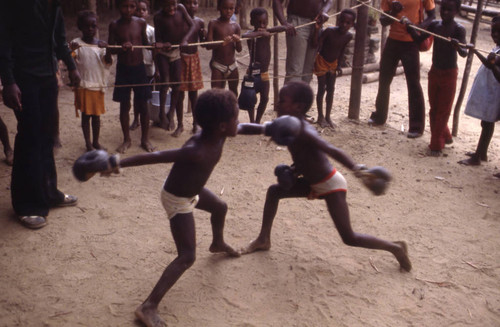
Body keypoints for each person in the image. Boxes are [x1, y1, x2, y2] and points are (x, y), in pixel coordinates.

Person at [79, 89, 241, 326]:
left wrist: (273, 127)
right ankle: (148, 306)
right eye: (237, 118)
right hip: (176, 198)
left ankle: (217, 243)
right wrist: (115, 163)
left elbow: (248, 129)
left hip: (193, 190)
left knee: (220, 207)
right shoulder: (195, 150)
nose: (241, 123)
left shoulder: (221, 133)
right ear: (223, 125)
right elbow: (156, 157)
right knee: (187, 256)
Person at [238, 81, 412, 272]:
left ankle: (395, 248)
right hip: (313, 181)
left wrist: (358, 170)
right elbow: (256, 129)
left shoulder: (305, 130)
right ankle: (263, 239)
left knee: (349, 238)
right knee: (274, 192)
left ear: (299, 107)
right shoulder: (284, 126)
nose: (277, 104)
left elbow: (331, 149)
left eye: (282, 101)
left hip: (330, 184)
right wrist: (232, 128)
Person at [0, 0, 81, 229]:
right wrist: (8, 82)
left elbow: (59, 39)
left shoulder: (54, 5)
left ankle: (49, 192)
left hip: (47, 75)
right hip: (23, 78)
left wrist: (71, 66)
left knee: (47, 137)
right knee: (29, 138)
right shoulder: (12, 4)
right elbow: (3, 42)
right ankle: (26, 205)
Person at [404, 0, 468, 156]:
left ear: (456, 11)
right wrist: (409, 27)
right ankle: (445, 135)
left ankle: (436, 146)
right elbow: (419, 41)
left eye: (449, 10)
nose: (445, 12)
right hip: (435, 71)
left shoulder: (459, 29)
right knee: (434, 108)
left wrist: (458, 45)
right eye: (443, 9)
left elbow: (464, 52)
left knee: (443, 111)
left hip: (449, 74)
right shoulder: (435, 26)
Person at [369, 0, 435, 138]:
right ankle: (379, 116)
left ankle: (416, 127)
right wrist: (393, 12)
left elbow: (432, 16)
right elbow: (383, 21)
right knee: (384, 80)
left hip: (411, 44)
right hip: (393, 41)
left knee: (413, 84)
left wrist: (417, 28)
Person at [108, 0, 154, 153]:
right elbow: (111, 50)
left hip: (139, 69)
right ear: (118, 7)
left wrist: (157, 46)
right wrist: (121, 49)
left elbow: (146, 44)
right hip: (123, 69)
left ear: (135, 7)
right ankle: (126, 139)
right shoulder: (114, 25)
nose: (128, 10)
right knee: (124, 105)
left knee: (143, 105)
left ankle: (145, 139)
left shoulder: (141, 22)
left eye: (132, 6)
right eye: (124, 6)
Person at [458, 16, 500, 171]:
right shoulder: (497, 48)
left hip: (494, 94)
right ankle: (482, 153)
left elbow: (491, 67)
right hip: (490, 91)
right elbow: (490, 64)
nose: (494, 34)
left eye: (498, 32)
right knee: (486, 123)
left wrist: (476, 52)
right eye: (493, 31)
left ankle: (477, 156)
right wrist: (476, 52)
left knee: (487, 124)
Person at [70, 10, 113, 152]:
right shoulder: (77, 43)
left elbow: (107, 62)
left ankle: (96, 142)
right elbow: (70, 59)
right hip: (84, 85)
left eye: (93, 26)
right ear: (80, 27)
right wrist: (71, 49)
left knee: (96, 117)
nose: (90, 29)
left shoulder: (100, 45)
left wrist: (107, 50)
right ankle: (88, 143)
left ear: (97, 27)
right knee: (86, 115)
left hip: (98, 86)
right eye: (86, 26)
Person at [154, 0, 197, 137]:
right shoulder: (158, 17)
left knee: (177, 85)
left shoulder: (181, 9)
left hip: (176, 51)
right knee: (165, 82)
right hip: (164, 53)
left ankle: (171, 112)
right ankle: (162, 112)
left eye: (173, 4)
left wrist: (185, 39)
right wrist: (162, 43)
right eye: (167, 6)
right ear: (161, 5)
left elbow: (192, 26)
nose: (171, 8)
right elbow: (158, 38)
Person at [312, 8, 355, 128]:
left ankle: (328, 116)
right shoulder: (329, 31)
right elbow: (318, 46)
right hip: (321, 62)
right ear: (338, 20)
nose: (344, 25)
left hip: (333, 64)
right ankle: (320, 116)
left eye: (348, 23)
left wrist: (339, 65)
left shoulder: (348, 36)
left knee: (331, 89)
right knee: (322, 88)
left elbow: (341, 51)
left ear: (352, 24)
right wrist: (312, 62)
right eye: (342, 21)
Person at [242, 7, 286, 123]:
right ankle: (252, 121)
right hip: (252, 72)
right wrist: (260, 33)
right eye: (259, 22)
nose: (262, 25)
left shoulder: (268, 32)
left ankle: (257, 121)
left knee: (265, 98)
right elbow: (244, 36)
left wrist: (284, 26)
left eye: (264, 22)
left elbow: (281, 28)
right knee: (250, 98)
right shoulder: (251, 35)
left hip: (265, 73)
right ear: (252, 22)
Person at [272, 0, 333, 84]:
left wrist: (324, 11)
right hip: (298, 23)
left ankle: (302, 96)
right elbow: (277, 1)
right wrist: (284, 23)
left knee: (308, 71)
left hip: (316, 24)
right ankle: (290, 96)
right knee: (295, 70)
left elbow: (329, 1)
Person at [179, 0, 206, 133]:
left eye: (195, 3)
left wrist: (204, 35)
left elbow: (203, 44)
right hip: (179, 58)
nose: (192, 6)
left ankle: (195, 123)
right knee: (178, 93)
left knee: (193, 93)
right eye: (188, 3)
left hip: (194, 58)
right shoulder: (178, 21)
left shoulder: (200, 22)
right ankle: (179, 124)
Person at [206, 0, 242, 96]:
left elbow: (239, 49)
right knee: (216, 93)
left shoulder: (236, 26)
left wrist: (238, 41)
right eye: (225, 8)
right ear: (219, 8)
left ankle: (232, 110)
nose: (228, 11)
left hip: (233, 65)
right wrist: (222, 43)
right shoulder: (213, 24)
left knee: (234, 92)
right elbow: (208, 46)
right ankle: (218, 111)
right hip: (218, 65)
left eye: (231, 8)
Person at [131, 0, 156, 131]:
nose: (140, 12)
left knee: (148, 94)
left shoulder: (152, 30)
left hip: (148, 66)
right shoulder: (131, 28)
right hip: (136, 65)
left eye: (143, 10)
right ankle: (136, 119)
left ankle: (149, 118)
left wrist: (157, 68)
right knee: (137, 95)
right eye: (138, 10)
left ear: (148, 12)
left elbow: (155, 50)